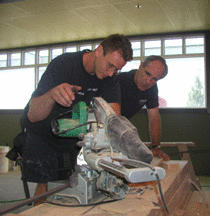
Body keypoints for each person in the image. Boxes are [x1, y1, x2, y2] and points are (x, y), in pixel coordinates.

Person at [21, 34, 133, 205]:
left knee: (73, 190)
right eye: (110, 65)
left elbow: (112, 118)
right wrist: (52, 95)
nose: (111, 73)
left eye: (116, 69)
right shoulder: (63, 65)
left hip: (74, 137)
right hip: (43, 133)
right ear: (99, 51)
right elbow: (33, 115)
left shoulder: (111, 78)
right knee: (45, 190)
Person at [117, 55, 170, 161]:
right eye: (147, 74)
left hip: (119, 126)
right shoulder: (119, 80)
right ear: (141, 66)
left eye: (154, 79)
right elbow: (113, 116)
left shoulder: (152, 89)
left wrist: (155, 147)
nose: (148, 81)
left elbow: (154, 117)